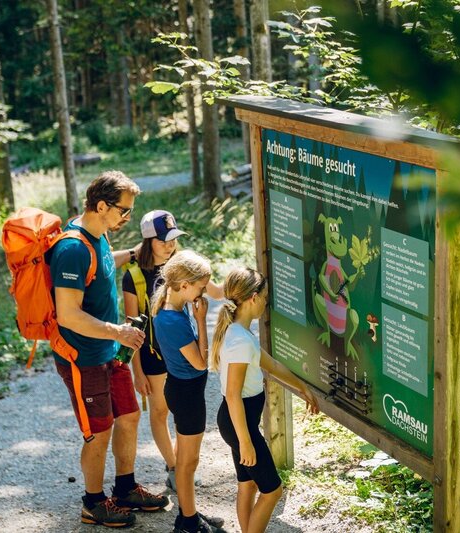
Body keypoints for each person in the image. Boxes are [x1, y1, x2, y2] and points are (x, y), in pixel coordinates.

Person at [50, 171, 167, 528]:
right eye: (124, 211)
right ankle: (93, 502)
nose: (127, 218)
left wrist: (133, 253)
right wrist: (118, 331)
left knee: (129, 416)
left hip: (109, 351)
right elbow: (68, 315)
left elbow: (100, 263)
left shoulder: (96, 235)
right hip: (82, 357)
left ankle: (126, 488)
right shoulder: (70, 249)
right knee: (98, 431)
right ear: (102, 206)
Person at [211, 268, 320, 533]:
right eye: (265, 297)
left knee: (247, 485)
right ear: (253, 298)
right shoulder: (239, 340)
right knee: (272, 491)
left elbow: (269, 364)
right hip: (240, 424)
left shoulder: (239, 332)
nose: (266, 302)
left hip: (235, 421)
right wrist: (246, 442)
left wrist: (302, 386)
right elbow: (234, 395)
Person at [122, 210, 222, 492]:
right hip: (153, 358)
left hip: (180, 353)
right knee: (159, 411)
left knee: (179, 409)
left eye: (173, 239)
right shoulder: (134, 276)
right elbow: (133, 327)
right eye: (164, 240)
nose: (170, 246)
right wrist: (136, 372)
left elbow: (215, 291)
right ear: (148, 241)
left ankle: (182, 466)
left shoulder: (181, 265)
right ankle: (174, 467)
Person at [151, 250, 224, 533]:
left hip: (185, 391)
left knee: (187, 459)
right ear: (184, 285)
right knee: (188, 462)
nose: (204, 291)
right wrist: (203, 320)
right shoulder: (172, 319)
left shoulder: (176, 306)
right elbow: (200, 361)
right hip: (187, 395)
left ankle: (188, 512)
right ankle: (189, 522)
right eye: (201, 286)